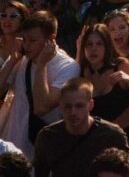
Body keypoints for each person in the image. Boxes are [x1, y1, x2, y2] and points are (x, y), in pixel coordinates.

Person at [0, 11, 80, 159]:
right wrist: (12, 60)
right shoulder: (22, 59)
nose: (26, 45)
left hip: (41, 151)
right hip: (10, 145)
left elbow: (41, 107)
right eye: (24, 39)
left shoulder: (68, 66)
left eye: (32, 40)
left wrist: (42, 65)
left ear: (51, 39)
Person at [32, 77, 129, 177]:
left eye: (79, 106)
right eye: (68, 106)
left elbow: (128, 172)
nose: (73, 112)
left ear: (91, 105)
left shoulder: (112, 135)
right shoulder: (48, 137)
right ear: (61, 106)